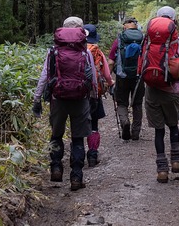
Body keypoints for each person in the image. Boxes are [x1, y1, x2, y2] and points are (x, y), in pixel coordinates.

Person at [32, 16, 97, 191]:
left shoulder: (53, 51)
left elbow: (44, 76)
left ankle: (56, 168)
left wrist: (37, 99)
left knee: (56, 135)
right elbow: (93, 78)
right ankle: (76, 177)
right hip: (80, 99)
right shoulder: (85, 52)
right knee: (77, 138)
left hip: (57, 99)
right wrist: (94, 96)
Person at [139, 6, 179, 183]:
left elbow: (141, 66)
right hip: (172, 91)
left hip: (152, 91)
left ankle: (162, 170)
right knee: (173, 126)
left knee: (159, 131)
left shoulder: (146, 42)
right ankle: (176, 161)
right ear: (173, 21)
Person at [83, 23, 115, 167]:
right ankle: (92, 154)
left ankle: (75, 154)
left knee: (77, 124)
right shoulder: (98, 52)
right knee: (94, 124)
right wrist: (111, 83)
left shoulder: (74, 50)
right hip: (93, 93)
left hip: (77, 93)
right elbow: (107, 74)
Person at [108, 17, 145, 141]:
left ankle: (125, 122)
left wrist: (109, 78)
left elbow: (111, 61)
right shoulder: (143, 39)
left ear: (125, 26)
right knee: (138, 103)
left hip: (122, 76)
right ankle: (135, 133)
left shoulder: (119, 39)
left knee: (122, 102)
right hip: (139, 77)